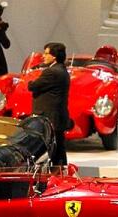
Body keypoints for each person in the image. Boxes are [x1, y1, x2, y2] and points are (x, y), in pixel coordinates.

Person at [28, 42, 71, 170]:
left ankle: (57, 173)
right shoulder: (61, 70)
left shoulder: (51, 72)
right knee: (59, 148)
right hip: (56, 116)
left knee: (54, 149)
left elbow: (33, 86)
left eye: (46, 53)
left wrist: (31, 79)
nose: (43, 56)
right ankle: (60, 172)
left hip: (50, 116)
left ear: (54, 56)